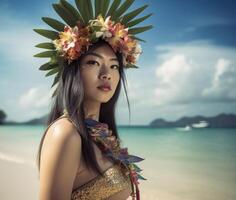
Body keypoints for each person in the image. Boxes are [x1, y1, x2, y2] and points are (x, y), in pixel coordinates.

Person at [33, 1, 153, 199]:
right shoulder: (65, 133)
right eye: (93, 62)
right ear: (73, 72)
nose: (106, 74)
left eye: (114, 66)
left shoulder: (101, 134)